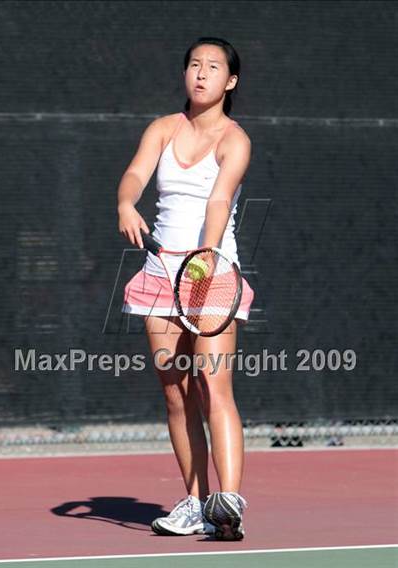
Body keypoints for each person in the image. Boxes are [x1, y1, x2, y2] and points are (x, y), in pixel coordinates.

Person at [117, 37, 254, 540]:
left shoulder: (235, 140)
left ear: (230, 81)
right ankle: (195, 503)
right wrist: (125, 203)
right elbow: (135, 174)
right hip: (159, 276)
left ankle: (229, 503)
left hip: (211, 275)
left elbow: (219, 200)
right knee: (176, 394)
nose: (201, 73)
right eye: (194, 65)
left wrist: (206, 258)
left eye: (213, 67)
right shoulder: (161, 129)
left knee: (213, 385)